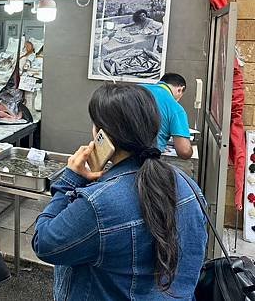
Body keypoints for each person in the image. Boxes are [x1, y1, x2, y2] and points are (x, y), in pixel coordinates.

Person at [32, 83, 207, 300]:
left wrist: (70, 178)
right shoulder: (188, 185)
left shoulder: (98, 204)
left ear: (101, 136)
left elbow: (45, 242)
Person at [141, 73, 192, 159]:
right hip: (145, 162)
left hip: (118, 158)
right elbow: (184, 152)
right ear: (180, 89)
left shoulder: (135, 89)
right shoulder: (175, 108)